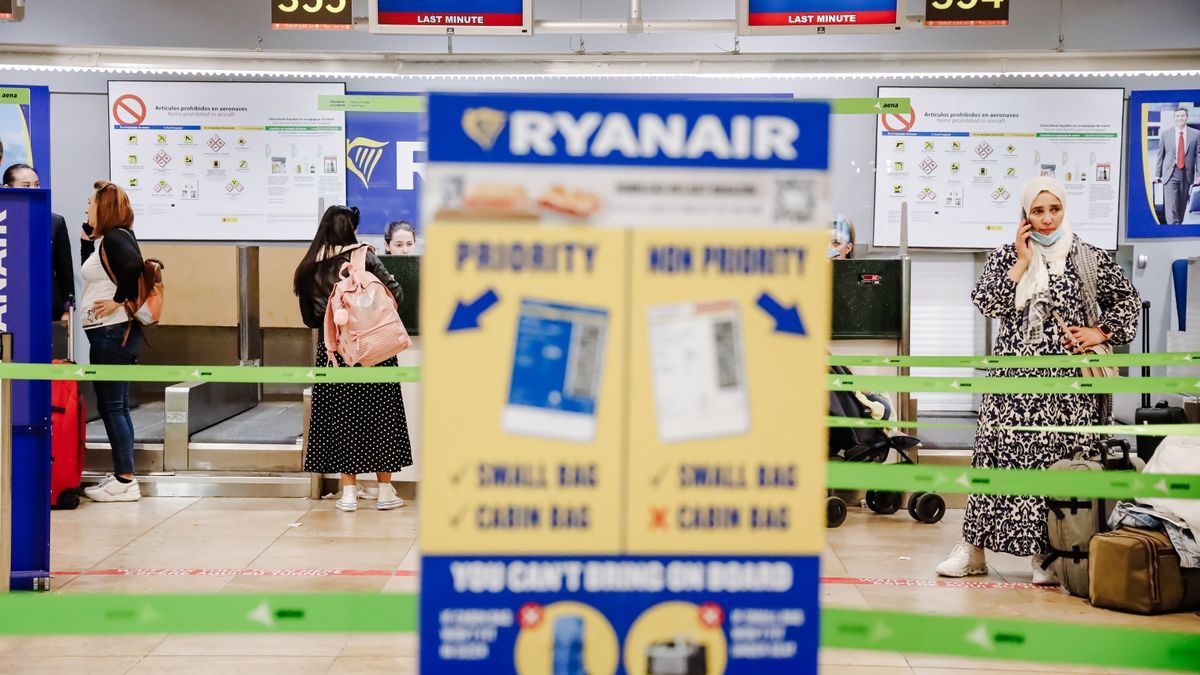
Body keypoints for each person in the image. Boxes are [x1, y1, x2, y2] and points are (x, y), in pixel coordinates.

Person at [936, 177, 1140, 584]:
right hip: (1012, 383)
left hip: (1066, 389)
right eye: (1038, 211)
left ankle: (1044, 556)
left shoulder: (1089, 257)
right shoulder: (1007, 256)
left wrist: (1099, 333)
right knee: (995, 464)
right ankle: (973, 549)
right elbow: (987, 303)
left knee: (1055, 468)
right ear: (1025, 216)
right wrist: (1021, 261)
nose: (1047, 219)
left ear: (1064, 209)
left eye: (1054, 210)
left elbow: (1128, 302)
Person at [294, 205, 413, 512]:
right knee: (382, 418)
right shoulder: (364, 258)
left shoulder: (308, 267)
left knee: (343, 420)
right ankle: (385, 491)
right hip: (374, 351)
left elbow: (310, 319)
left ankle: (348, 492)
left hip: (335, 354)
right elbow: (396, 295)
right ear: (351, 230)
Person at [79, 181, 147, 503]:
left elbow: (133, 267)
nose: (87, 209)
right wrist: (86, 241)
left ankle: (125, 479)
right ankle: (125, 475)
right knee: (117, 406)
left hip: (112, 332)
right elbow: (101, 275)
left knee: (112, 407)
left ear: (103, 208)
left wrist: (118, 301)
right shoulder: (110, 239)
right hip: (110, 332)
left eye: (90, 204)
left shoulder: (117, 237)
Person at [2, 164, 74, 321]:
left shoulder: (55, 222)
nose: (34, 190)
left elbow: (64, 272)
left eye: (37, 185)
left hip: (46, 307)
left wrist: (67, 310)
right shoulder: (3, 222)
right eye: (26, 186)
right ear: (8, 188)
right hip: (6, 306)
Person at [1153, 106, 1200, 224]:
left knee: (1181, 207)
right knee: (1171, 206)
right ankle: (1173, 229)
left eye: (1182, 116)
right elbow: (1160, 155)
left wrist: (1199, 174)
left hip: (1186, 174)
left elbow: (1198, 155)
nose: (1180, 118)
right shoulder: (1165, 134)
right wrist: (1157, 174)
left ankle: (1177, 226)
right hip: (1170, 173)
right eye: (1178, 116)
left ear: (1186, 117)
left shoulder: (1196, 134)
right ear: (1174, 118)